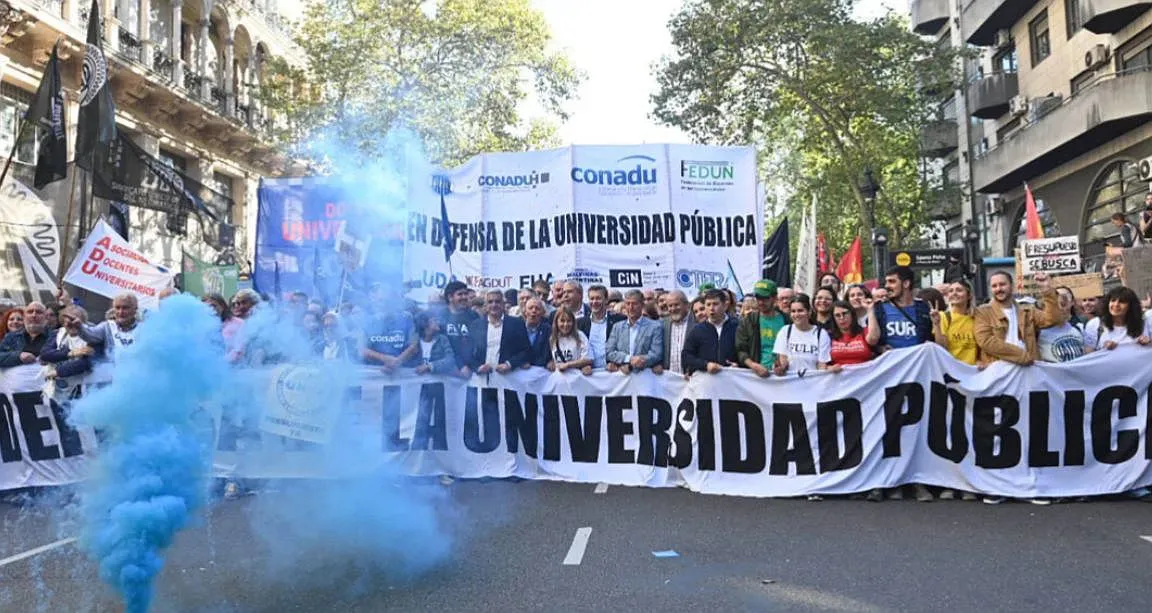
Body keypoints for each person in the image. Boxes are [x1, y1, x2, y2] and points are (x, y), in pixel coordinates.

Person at [973, 272, 1064, 365]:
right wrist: (1022, 356)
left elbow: (1052, 319)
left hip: (1028, 371)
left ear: (1012, 286)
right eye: (994, 286)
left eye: (1002, 284)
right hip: (999, 371)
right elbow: (986, 341)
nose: (998, 289)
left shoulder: (1027, 311)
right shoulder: (983, 312)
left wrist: (1047, 291)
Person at [866, 266, 932, 351]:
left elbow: (930, 339)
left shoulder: (923, 308)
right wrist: (880, 349)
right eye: (886, 282)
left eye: (892, 282)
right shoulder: (878, 308)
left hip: (917, 362)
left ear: (906, 284)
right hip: (890, 362)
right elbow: (872, 341)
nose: (886, 286)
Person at [466, 290, 533, 373]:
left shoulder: (516, 324)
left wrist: (509, 364)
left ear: (503, 304)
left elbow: (526, 351)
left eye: (497, 301)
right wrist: (478, 367)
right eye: (490, 302)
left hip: (508, 378)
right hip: (481, 380)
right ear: (486, 305)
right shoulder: (476, 325)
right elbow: (467, 352)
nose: (494, 305)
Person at [39, 305, 97, 400]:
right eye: (67, 320)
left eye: (74, 319)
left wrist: (59, 371)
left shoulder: (93, 335)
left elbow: (88, 362)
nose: (71, 323)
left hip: (83, 389)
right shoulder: (58, 334)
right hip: (57, 390)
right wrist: (70, 353)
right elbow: (45, 354)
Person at [736, 280, 787, 377]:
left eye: (765, 298)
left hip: (784, 375)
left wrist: (785, 363)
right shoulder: (749, 321)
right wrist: (753, 365)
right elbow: (740, 349)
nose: (760, 302)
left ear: (774, 298)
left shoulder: (787, 320)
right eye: (758, 298)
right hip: (756, 376)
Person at [681, 289, 738, 376]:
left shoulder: (737, 326)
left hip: (732, 379)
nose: (711, 308)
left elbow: (745, 352)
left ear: (725, 306)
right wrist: (705, 365)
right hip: (707, 381)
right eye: (708, 305)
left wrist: (739, 365)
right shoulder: (697, 330)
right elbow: (686, 356)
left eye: (715, 304)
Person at [605, 289, 663, 374]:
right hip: (622, 378)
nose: (631, 307)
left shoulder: (655, 326)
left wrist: (641, 360)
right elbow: (609, 352)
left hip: (645, 376)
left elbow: (656, 353)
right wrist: (628, 359)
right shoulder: (617, 327)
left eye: (634, 304)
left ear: (642, 305)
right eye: (628, 304)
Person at [772, 294, 831, 376]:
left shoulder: (821, 334)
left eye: (800, 311)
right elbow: (783, 360)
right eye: (793, 311)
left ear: (809, 312)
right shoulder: (785, 331)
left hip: (813, 383)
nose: (796, 315)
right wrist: (780, 368)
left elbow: (822, 365)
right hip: (789, 383)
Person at [360, 284, 414, 373]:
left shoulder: (406, 319)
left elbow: (414, 346)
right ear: (375, 300)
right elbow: (361, 349)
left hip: (402, 376)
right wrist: (383, 358)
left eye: (387, 301)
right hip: (373, 378)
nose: (383, 304)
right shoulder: (367, 322)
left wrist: (398, 361)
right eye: (380, 300)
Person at [1083, 285, 1151, 352]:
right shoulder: (1094, 324)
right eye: (1113, 300)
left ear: (1131, 306)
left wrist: (1148, 343)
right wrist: (1103, 349)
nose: (1116, 305)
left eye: (1122, 302)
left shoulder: (1144, 323)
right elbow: (1089, 354)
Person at [577, 284, 624, 369]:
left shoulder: (619, 320)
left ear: (606, 300)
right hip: (588, 373)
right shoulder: (579, 324)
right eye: (592, 298)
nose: (594, 302)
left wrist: (616, 364)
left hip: (612, 373)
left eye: (598, 298)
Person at [934, 281, 980, 366]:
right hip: (952, 371)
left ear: (969, 295)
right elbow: (941, 347)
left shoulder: (976, 318)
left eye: (959, 290)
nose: (954, 293)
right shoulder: (943, 316)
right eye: (951, 291)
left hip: (973, 372)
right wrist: (936, 324)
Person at [1037, 286, 1086, 363]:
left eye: (1063, 304)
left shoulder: (1078, 329)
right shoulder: (1039, 332)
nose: (1060, 308)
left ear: (1070, 304)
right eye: (1056, 305)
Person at [0, 302, 51, 369]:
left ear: (46, 318)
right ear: (24, 317)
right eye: (30, 312)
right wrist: (18, 356)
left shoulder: (55, 337)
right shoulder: (12, 337)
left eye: (39, 312)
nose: (34, 315)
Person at [442, 280, 481, 369]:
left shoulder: (473, 316)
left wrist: (469, 365)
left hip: (470, 368)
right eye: (460, 294)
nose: (464, 297)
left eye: (466, 294)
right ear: (450, 297)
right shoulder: (441, 316)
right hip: (448, 370)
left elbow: (479, 344)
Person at [547, 307, 593, 375]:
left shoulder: (580, 336)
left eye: (569, 321)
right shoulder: (552, 339)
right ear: (556, 322)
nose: (565, 324)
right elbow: (549, 360)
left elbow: (589, 359)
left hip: (576, 379)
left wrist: (568, 365)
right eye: (562, 321)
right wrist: (550, 364)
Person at [656, 290, 691, 375]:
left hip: (691, 377)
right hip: (669, 378)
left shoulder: (696, 323)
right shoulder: (662, 324)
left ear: (686, 305)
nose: (673, 309)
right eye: (670, 306)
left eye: (676, 305)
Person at [828, 301, 873, 367]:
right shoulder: (828, 336)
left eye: (845, 313)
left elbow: (873, 339)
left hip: (866, 375)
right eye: (837, 315)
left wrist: (870, 310)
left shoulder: (864, 331)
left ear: (852, 314)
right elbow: (822, 364)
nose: (842, 318)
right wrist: (830, 368)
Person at [522, 297, 551, 367]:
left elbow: (547, 354)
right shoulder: (517, 327)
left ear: (542, 313)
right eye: (530, 308)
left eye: (537, 308)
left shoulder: (548, 330)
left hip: (540, 367)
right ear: (525, 312)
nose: (534, 311)